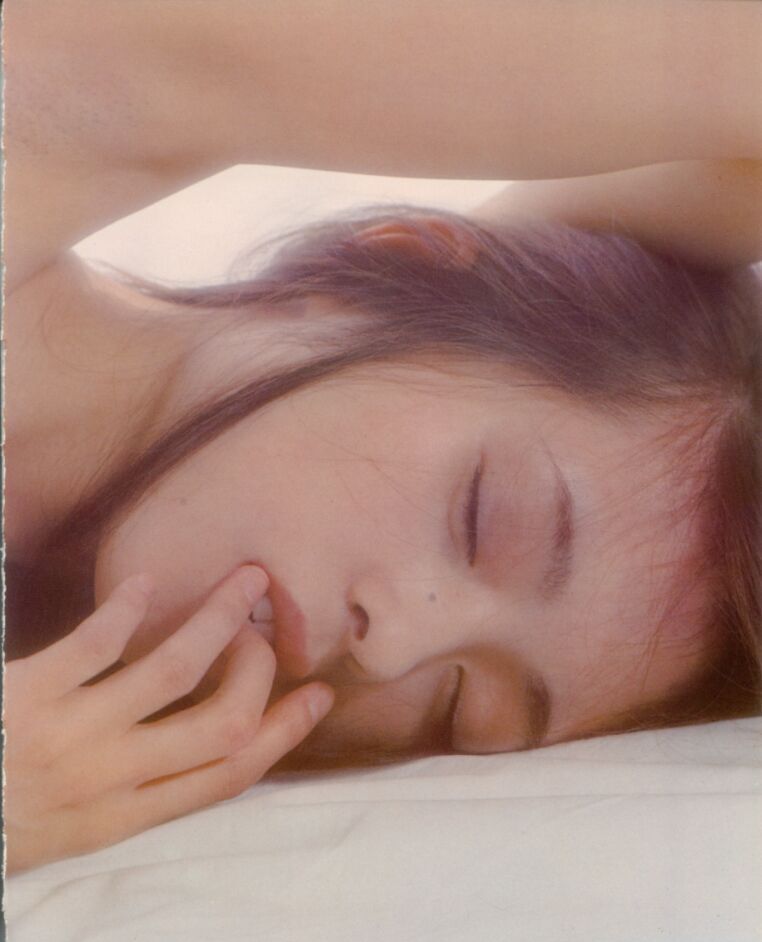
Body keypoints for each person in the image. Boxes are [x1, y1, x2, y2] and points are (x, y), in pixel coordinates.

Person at [4, 0, 760, 874]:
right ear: (392, 265)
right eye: (480, 518)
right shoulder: (54, 100)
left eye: (456, 707)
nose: (390, 649)